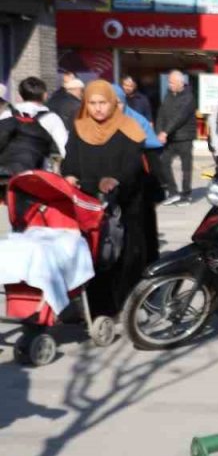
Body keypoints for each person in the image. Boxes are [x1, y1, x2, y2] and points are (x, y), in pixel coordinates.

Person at [62, 81, 159, 314]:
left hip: (124, 203)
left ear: (113, 103)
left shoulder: (129, 127)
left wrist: (116, 180)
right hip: (87, 202)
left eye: (102, 103)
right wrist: (69, 174)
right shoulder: (79, 127)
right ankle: (94, 308)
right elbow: (70, 160)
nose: (97, 108)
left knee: (124, 254)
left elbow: (133, 165)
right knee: (92, 254)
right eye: (92, 103)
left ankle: (127, 305)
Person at [2, 76, 69, 165]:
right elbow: (63, 149)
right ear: (45, 96)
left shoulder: (7, 115)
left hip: (6, 173)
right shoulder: (52, 118)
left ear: (20, 96)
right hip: (37, 174)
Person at [155, 69, 197, 205]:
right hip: (170, 138)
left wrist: (165, 132)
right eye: (169, 82)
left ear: (181, 83)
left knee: (186, 168)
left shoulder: (188, 97)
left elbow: (179, 117)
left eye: (172, 82)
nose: (170, 85)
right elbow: (161, 114)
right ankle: (173, 192)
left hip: (185, 138)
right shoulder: (168, 95)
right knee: (163, 162)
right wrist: (159, 132)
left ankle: (186, 194)